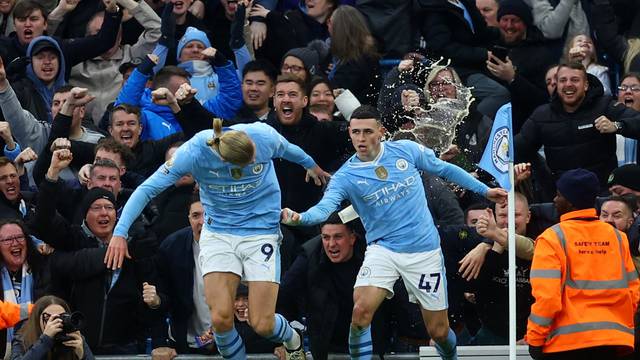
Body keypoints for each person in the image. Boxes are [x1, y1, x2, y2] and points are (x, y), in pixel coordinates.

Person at [281, 105, 507, 360]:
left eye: (367, 131)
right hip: (383, 250)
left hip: (424, 252)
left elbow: (445, 169)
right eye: (355, 132)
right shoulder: (346, 176)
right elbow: (324, 210)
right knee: (361, 312)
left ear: (382, 132)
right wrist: (300, 218)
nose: (361, 138)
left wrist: (484, 191)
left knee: (440, 331)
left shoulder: (405, 151)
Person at [105, 119, 330, 359]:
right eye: (247, 162)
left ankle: (293, 340)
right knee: (221, 319)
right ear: (223, 160)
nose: (255, 162)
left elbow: (289, 149)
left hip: (261, 230)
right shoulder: (193, 152)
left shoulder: (263, 136)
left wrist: (311, 165)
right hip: (219, 232)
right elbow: (147, 189)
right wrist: (120, 232)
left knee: (262, 323)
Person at [526, 169, 640, 360]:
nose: (555, 199)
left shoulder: (552, 238)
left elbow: (547, 298)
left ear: (570, 201)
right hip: (613, 341)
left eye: (559, 195)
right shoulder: (617, 238)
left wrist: (535, 339)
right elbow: (633, 292)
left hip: (566, 344)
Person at [515, 62, 640, 189]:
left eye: (575, 80)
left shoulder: (604, 105)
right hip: (562, 197)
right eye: (563, 80)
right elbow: (517, 148)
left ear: (586, 85)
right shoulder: (541, 115)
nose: (568, 84)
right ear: (557, 85)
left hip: (601, 195)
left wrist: (616, 126)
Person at [276, 212, 370, 359]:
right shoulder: (309, 255)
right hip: (325, 342)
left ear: (352, 238)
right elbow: (283, 297)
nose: (331, 244)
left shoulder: (371, 254)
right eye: (326, 237)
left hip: (370, 340)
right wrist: (284, 341)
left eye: (338, 237)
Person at [10, 295, 93, 360]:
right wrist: (45, 340)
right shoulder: (21, 339)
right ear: (37, 320)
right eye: (48, 318)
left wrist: (82, 356)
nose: (56, 323)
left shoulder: (75, 338)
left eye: (62, 317)